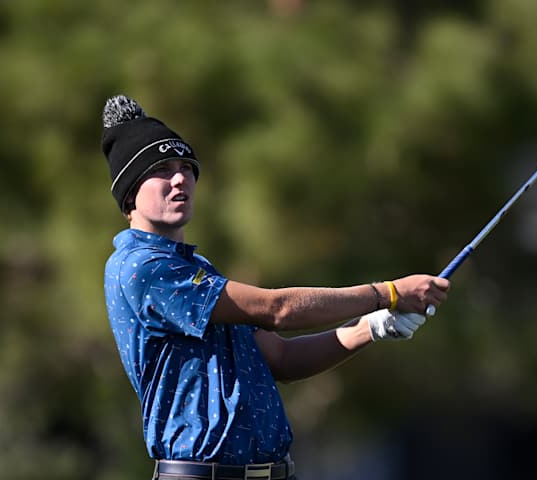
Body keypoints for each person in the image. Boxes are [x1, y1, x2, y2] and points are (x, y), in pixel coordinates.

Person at [101, 94, 450, 480]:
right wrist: (389, 292)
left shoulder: (196, 268)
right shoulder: (141, 266)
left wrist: (371, 326)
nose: (181, 177)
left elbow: (282, 358)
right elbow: (277, 310)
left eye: (186, 167)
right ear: (131, 190)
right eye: (163, 169)